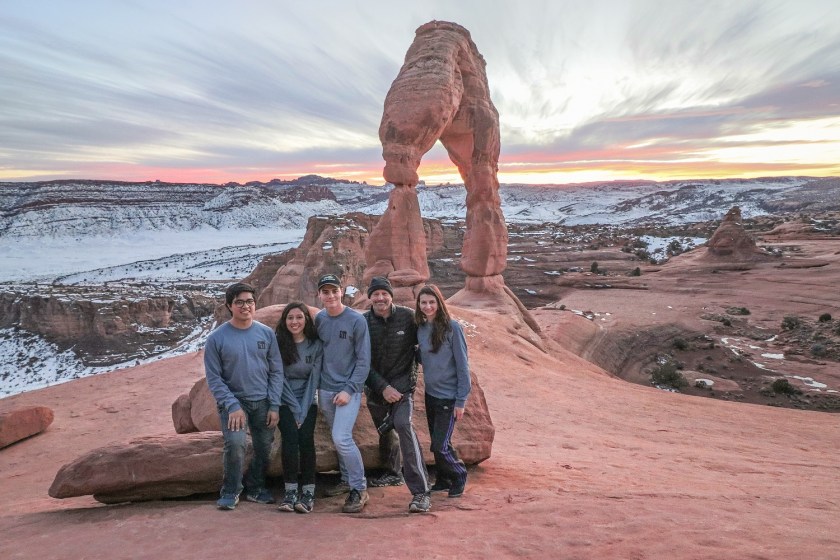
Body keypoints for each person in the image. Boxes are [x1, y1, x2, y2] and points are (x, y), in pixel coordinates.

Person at [205, 282, 284, 510]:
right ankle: (231, 490)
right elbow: (214, 379)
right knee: (235, 443)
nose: (245, 306)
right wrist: (231, 405)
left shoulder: (266, 334)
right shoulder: (216, 339)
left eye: (249, 301)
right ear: (230, 306)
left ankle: (256, 488)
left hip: (263, 401)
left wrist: (275, 405)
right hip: (234, 402)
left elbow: (276, 370)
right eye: (239, 302)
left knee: (264, 445)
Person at [363, 276, 431, 513]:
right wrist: (382, 388)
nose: (380, 298)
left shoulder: (407, 317)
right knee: (385, 430)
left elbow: (423, 346)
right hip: (375, 389)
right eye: (376, 294)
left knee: (403, 425)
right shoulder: (362, 322)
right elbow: (361, 363)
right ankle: (392, 473)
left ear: (391, 295)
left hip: (402, 389)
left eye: (384, 293)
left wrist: (400, 389)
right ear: (369, 297)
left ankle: (421, 492)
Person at [314, 273, 372, 513]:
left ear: (342, 291)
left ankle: (359, 488)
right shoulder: (319, 320)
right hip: (325, 389)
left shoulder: (356, 320)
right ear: (320, 295)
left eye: (334, 291)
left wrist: (349, 390)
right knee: (336, 436)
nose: (330, 296)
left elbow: (363, 360)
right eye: (325, 292)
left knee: (341, 437)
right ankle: (346, 479)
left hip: (348, 390)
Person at [415, 284, 471, 498]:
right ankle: (443, 479)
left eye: (432, 302)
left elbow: (462, 365)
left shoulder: (452, 328)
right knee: (440, 441)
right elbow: (424, 357)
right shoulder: (420, 328)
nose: (428, 306)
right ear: (418, 305)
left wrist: (461, 400)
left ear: (439, 303)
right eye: (423, 302)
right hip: (431, 395)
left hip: (449, 397)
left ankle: (459, 474)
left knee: (439, 446)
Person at [274, 302, 322, 514]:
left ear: (306, 320)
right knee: (290, 440)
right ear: (285, 321)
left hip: (308, 401)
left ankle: (308, 492)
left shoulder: (315, 345)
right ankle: (290, 491)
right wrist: (294, 409)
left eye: (299, 317)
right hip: (285, 400)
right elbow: (279, 379)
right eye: (290, 318)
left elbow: (314, 379)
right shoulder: (279, 344)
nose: (295, 322)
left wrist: (302, 411)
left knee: (306, 441)